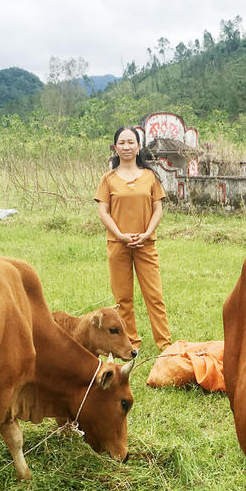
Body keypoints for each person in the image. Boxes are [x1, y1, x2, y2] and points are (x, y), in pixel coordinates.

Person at [95, 126, 172, 353]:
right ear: (115, 147)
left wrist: (147, 233)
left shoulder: (150, 177)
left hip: (145, 244)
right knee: (123, 299)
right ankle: (131, 343)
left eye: (131, 142)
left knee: (154, 296)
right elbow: (103, 212)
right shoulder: (108, 179)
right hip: (117, 244)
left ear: (139, 147)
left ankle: (165, 344)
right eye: (122, 142)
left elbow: (157, 209)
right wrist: (120, 235)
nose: (126, 147)